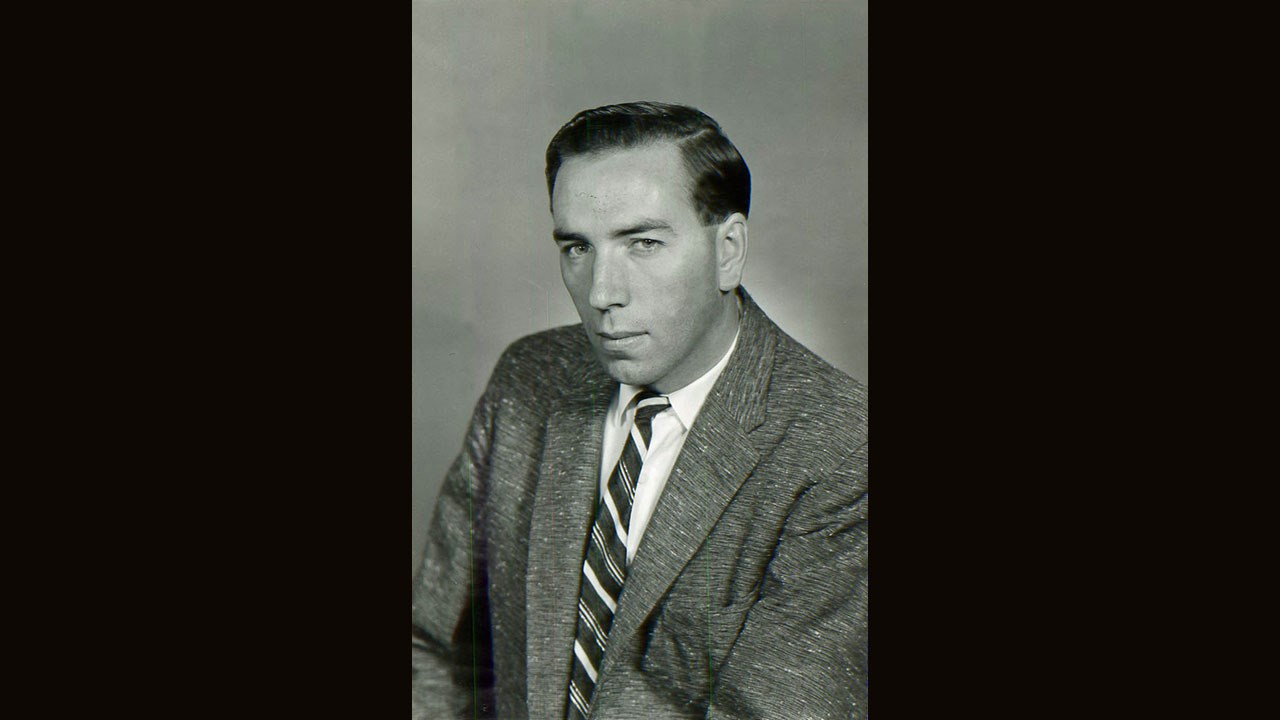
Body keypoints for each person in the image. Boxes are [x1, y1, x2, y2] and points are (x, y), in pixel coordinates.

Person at [412, 101, 867, 720]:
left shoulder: (841, 447)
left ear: (728, 250)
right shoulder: (530, 379)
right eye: (577, 247)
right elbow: (436, 652)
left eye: (643, 243)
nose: (603, 293)